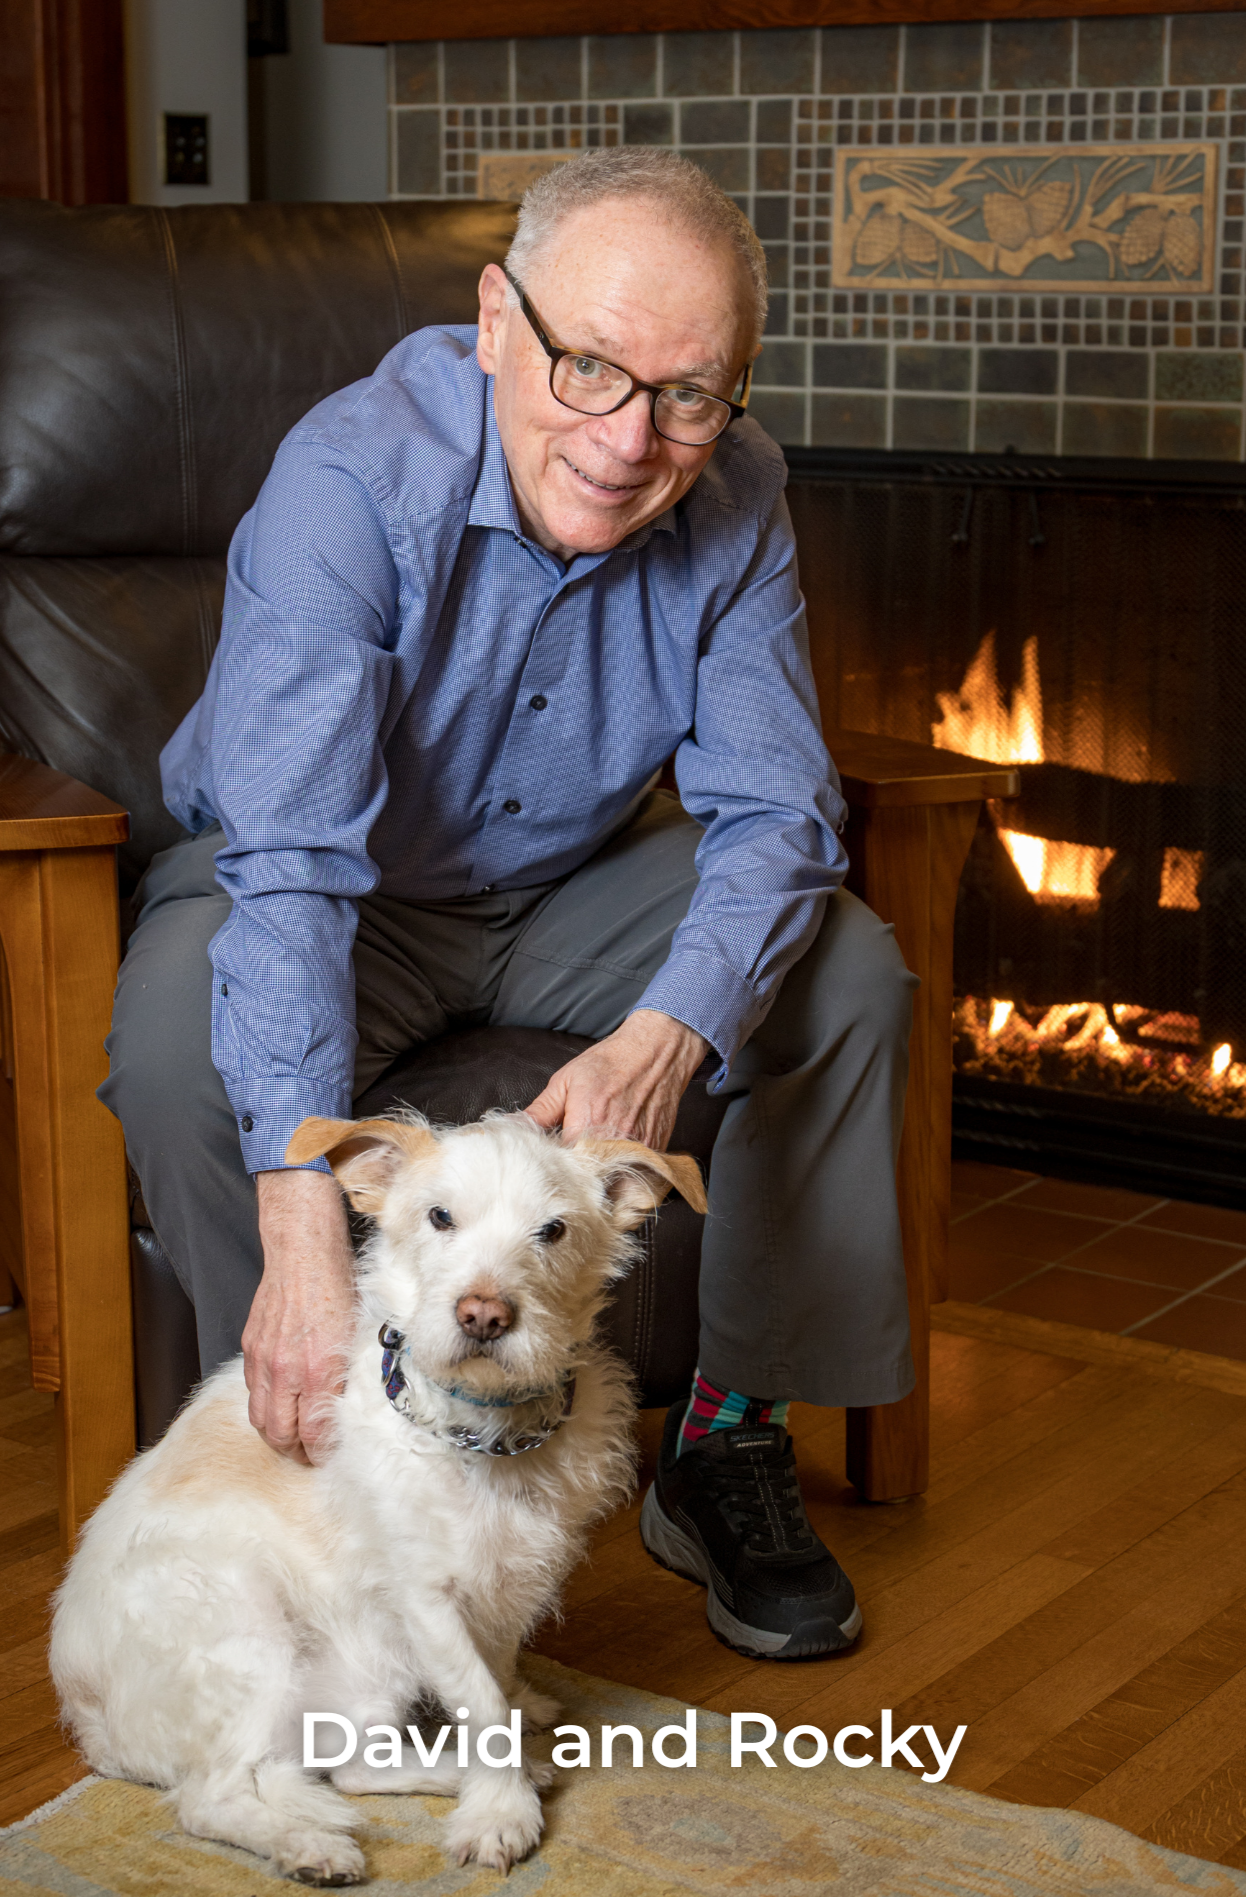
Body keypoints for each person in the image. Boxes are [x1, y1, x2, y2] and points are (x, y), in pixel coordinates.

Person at [101, 146, 917, 1662]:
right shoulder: (347, 482)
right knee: (170, 1035)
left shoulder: (735, 490)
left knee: (845, 975)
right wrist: (301, 1230)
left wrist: (672, 1031)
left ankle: (726, 1438)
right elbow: (291, 872)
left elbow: (778, 809)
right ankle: (294, 1451)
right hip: (336, 876)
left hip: (568, 882)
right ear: (496, 319)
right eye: (590, 369)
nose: (630, 440)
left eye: (691, 392)